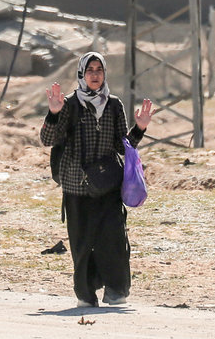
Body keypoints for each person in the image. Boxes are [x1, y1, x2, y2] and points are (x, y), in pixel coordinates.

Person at [40, 51, 155, 308]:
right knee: (82, 244)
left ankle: (115, 291)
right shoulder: (68, 104)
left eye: (99, 70)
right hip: (76, 187)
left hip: (107, 185)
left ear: (104, 74)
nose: (94, 74)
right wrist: (54, 114)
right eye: (90, 70)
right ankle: (86, 294)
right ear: (82, 74)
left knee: (113, 239)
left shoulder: (114, 105)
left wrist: (140, 129)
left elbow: (121, 146)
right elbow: (48, 140)